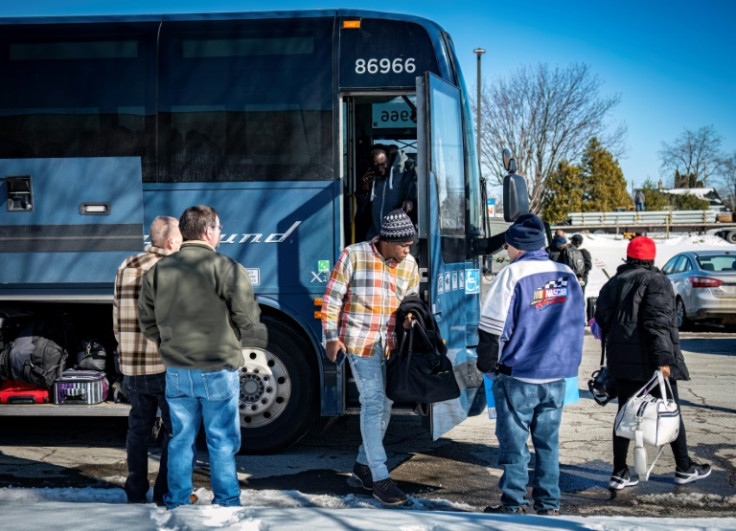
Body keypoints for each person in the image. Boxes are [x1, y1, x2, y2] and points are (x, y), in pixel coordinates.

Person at [138, 205, 261, 509]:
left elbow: (146, 321)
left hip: (177, 369)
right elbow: (248, 319)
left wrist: (169, 342)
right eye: (219, 229)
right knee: (220, 440)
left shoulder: (158, 271)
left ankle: (177, 500)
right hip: (218, 367)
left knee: (180, 439)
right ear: (208, 231)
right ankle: (227, 501)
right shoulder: (229, 268)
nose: (220, 234)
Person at [477, 213, 584, 516]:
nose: (507, 251)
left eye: (508, 245)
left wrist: (486, 365)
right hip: (557, 376)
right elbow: (577, 324)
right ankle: (549, 504)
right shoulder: (566, 273)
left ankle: (513, 503)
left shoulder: (511, 275)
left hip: (519, 375)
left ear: (516, 246)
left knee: (514, 444)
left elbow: (491, 328)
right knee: (548, 443)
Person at [594, 236, 711, 490]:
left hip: (620, 362)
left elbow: (600, 318)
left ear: (629, 257)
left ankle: (619, 473)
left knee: (624, 414)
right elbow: (657, 323)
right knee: (672, 409)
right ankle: (683, 468)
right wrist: (663, 361)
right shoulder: (657, 281)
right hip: (649, 362)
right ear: (651, 258)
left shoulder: (613, 282)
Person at [321, 209, 420, 506]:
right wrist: (330, 337)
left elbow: (410, 303)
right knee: (374, 401)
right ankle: (380, 477)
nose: (408, 251)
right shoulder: (353, 255)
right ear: (387, 241)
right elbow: (332, 298)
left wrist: (409, 318)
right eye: (404, 245)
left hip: (390, 344)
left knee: (386, 404)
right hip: (359, 342)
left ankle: (363, 464)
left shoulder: (410, 265)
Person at [113, 216, 182, 506]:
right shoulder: (172, 268)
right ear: (170, 242)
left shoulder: (127, 265)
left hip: (131, 365)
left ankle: (135, 489)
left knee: (138, 429)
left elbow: (116, 314)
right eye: (180, 239)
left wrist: (124, 348)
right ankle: (163, 492)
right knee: (173, 430)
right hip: (162, 364)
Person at [361, 148, 416, 240]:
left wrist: (410, 202)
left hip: (399, 235)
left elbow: (418, 196)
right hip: (376, 236)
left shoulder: (405, 171)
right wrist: (364, 188)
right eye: (376, 166)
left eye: (383, 164)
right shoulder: (372, 178)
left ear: (389, 158)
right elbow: (364, 209)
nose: (381, 168)